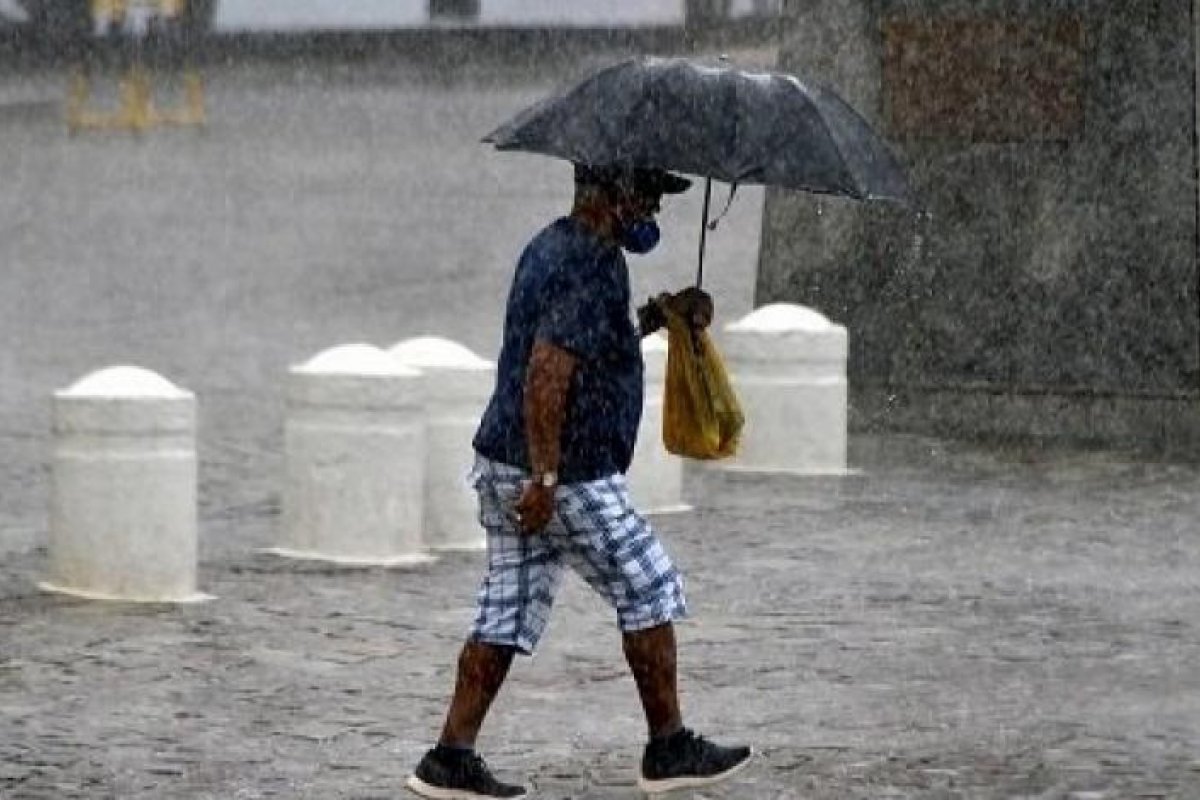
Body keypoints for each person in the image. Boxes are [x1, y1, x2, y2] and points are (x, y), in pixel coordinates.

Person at [405, 164, 753, 799]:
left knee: (505, 612)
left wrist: (658, 317)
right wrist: (545, 477)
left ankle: (449, 757)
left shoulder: (553, 244)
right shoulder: (591, 263)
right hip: (566, 474)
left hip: (506, 460)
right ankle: (668, 746)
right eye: (647, 194)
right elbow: (548, 370)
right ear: (611, 195)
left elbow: (590, 345)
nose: (654, 209)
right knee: (649, 585)